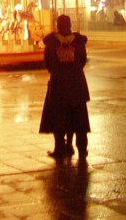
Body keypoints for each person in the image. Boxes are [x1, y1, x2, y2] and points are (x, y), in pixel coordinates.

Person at [39, 14, 90, 160]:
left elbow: (48, 63)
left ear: (58, 26)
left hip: (58, 84)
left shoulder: (51, 44)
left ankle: (60, 147)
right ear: (70, 25)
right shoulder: (79, 43)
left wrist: (58, 71)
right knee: (79, 119)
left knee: (59, 117)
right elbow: (82, 61)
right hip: (76, 83)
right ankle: (81, 148)